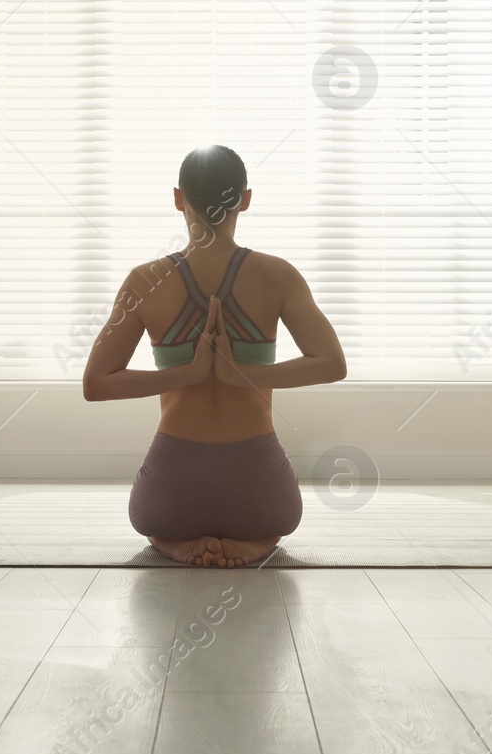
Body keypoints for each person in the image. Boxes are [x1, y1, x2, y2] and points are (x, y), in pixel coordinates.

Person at [81, 145, 348, 567]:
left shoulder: (145, 281)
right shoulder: (277, 275)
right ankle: (261, 541)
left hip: (170, 502)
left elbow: (95, 384)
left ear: (178, 198)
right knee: (280, 519)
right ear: (245, 199)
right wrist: (241, 374)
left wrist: (186, 373)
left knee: (149, 521)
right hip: (261, 500)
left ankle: (170, 542)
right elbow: (333, 363)